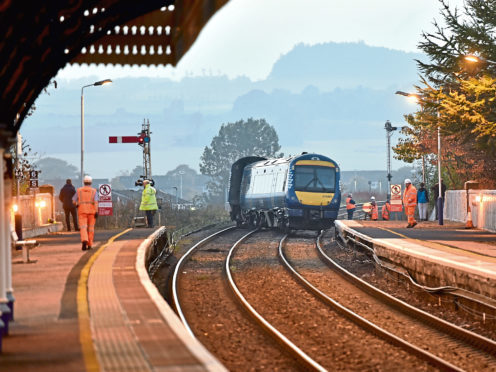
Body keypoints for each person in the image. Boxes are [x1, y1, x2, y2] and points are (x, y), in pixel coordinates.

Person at [77, 175, 98, 251]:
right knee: (91, 229)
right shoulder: (94, 191)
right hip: (92, 212)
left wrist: (77, 204)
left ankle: (84, 240)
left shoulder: (79, 190)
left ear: (84, 182)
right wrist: (96, 211)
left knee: (83, 228)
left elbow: (74, 200)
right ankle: (89, 244)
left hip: (82, 211)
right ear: (91, 182)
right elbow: (96, 202)